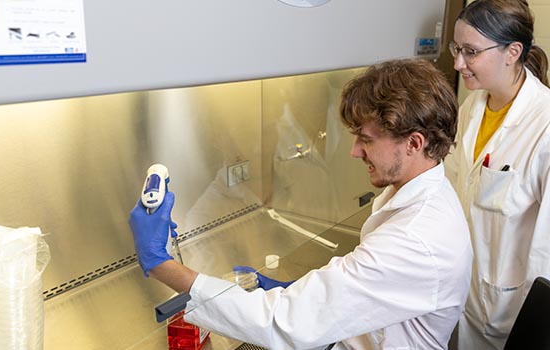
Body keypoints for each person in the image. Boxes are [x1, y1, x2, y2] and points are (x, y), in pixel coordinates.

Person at [129, 58, 473, 350]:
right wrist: (295, 290)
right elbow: (363, 288)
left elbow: (284, 322)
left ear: (414, 143)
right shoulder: (419, 194)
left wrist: (159, 263)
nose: (355, 151)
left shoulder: (416, 238)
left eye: (366, 139)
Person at [444, 1, 550, 349]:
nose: (458, 63)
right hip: (466, 295)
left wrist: (543, 331)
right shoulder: (472, 107)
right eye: (457, 48)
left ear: (512, 52)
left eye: (471, 52)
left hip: (512, 311)